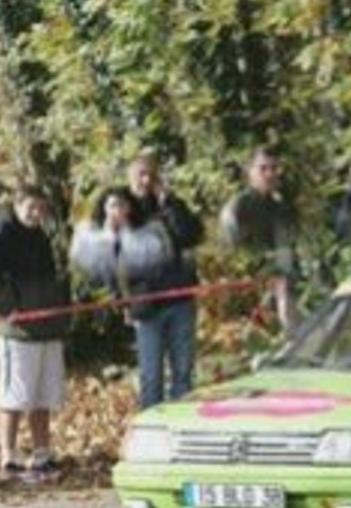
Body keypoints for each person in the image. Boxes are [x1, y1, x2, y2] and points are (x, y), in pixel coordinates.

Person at [0, 185, 71, 482]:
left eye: (41, 208)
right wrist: (5, 307)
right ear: (17, 204)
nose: (36, 213)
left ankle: (41, 453)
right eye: (31, 206)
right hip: (17, 331)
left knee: (43, 394)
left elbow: (55, 276)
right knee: (14, 396)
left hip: (47, 328)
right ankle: (9, 455)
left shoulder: (43, 236)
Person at [124, 150, 204, 408]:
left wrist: (170, 204)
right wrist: (123, 301)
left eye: (150, 174)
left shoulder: (172, 205)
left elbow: (190, 235)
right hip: (146, 306)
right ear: (130, 178)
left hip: (180, 299)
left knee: (183, 372)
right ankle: (152, 431)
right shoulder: (123, 212)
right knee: (151, 376)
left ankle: (182, 426)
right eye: (140, 175)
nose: (146, 180)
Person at [219, 147, 299, 335]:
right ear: (250, 172)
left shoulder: (282, 206)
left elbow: (290, 243)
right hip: (251, 290)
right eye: (263, 168)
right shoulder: (239, 207)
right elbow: (232, 251)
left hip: (285, 282)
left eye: (273, 168)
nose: (269, 174)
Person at [69, 186, 176, 320]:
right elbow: (84, 262)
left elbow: (151, 259)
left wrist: (127, 232)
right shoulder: (89, 231)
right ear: (104, 208)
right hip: (104, 301)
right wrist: (108, 235)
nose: (117, 210)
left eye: (122, 205)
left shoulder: (148, 229)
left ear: (130, 207)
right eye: (113, 205)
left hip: (144, 299)